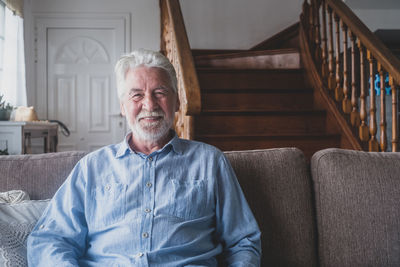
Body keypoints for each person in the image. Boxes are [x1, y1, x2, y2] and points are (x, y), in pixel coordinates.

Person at [27, 49, 261, 266]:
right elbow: (50, 239)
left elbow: (243, 241)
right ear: (123, 106)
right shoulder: (92, 168)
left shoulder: (210, 162)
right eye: (137, 95)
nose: (149, 104)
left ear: (177, 101)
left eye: (160, 93)